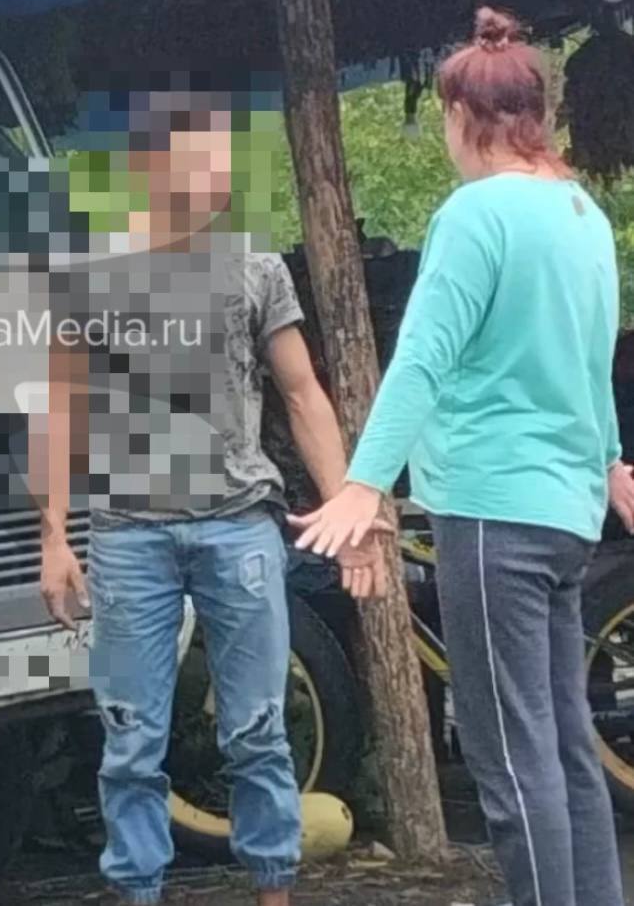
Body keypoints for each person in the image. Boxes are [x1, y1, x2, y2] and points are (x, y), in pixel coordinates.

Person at [293, 8, 634, 906]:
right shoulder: (583, 215)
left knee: (509, 757)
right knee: (564, 743)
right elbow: (590, 358)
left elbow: (422, 358)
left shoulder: (475, 215)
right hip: (566, 512)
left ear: (462, 117)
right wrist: (609, 463)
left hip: (492, 511)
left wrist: (363, 481)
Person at [37, 92, 385, 906]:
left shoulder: (255, 267)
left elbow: (302, 394)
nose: (219, 172)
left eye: (225, 157)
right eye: (202, 156)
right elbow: (57, 408)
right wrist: (52, 535)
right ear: (150, 166)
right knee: (131, 739)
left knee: (258, 731)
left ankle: (274, 891)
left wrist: (350, 509)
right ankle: (138, 890)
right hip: (130, 534)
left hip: (239, 529)